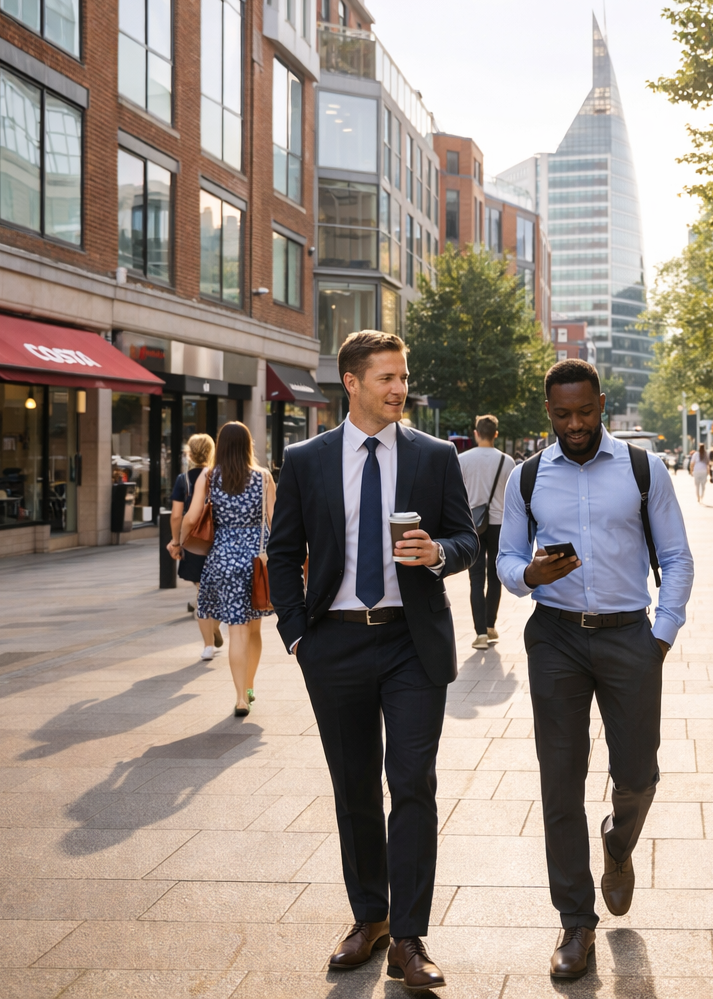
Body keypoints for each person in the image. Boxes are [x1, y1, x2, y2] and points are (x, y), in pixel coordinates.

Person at [266, 330, 478, 983]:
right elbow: (282, 550)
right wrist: (299, 634)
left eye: (404, 376)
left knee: (412, 783)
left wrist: (438, 554)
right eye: (386, 377)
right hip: (334, 643)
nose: (399, 389)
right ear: (351, 383)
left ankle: (409, 940)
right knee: (355, 787)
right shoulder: (306, 461)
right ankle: (370, 917)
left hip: (413, 644)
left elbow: (467, 538)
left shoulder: (434, 456)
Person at [497, 359, 694, 980]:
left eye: (585, 412)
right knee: (560, 779)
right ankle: (575, 923)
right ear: (547, 410)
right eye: (562, 414)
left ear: (602, 404)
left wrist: (659, 637)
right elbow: (505, 558)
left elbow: (677, 557)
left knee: (638, 774)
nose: (575, 424)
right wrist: (530, 575)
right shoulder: (527, 477)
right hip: (555, 637)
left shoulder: (643, 469)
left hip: (629, 635)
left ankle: (617, 842)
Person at [177, 422, 274, 715]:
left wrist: (177, 542)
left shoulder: (208, 476)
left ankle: (240, 698)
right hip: (256, 562)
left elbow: (192, 517)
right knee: (254, 631)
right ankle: (249, 686)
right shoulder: (263, 478)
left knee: (237, 631)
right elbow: (276, 522)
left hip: (223, 560)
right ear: (248, 446)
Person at [165, 433, 223, 660]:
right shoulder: (220, 476)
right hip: (219, 541)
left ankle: (209, 644)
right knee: (219, 595)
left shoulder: (184, 480)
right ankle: (215, 627)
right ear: (211, 452)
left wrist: (176, 542)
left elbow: (177, 516)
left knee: (203, 594)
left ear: (189, 453)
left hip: (195, 543)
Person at [458, 414, 514, 650]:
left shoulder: (462, 459)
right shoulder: (507, 461)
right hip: (499, 524)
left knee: (475, 579)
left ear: (476, 433)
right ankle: (491, 626)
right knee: (495, 577)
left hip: (473, 523)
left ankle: (480, 633)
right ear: (496, 435)